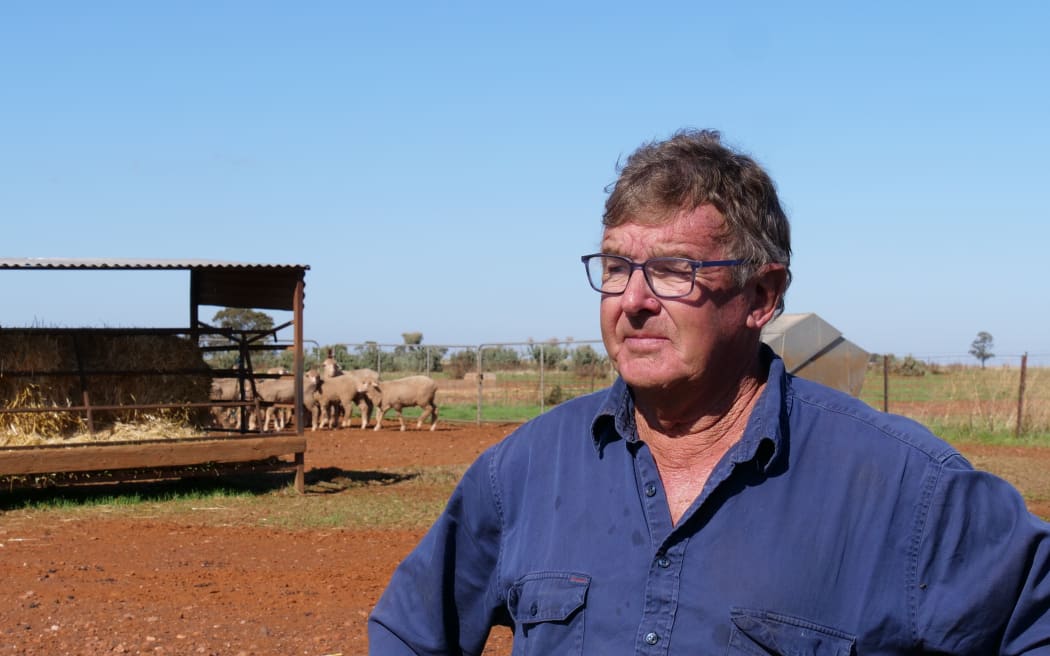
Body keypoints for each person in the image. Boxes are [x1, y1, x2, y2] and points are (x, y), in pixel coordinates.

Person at [368, 129, 1050, 654]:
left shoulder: (906, 490)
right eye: (615, 267)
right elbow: (410, 630)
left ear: (762, 296)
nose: (632, 300)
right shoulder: (521, 472)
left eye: (672, 271)